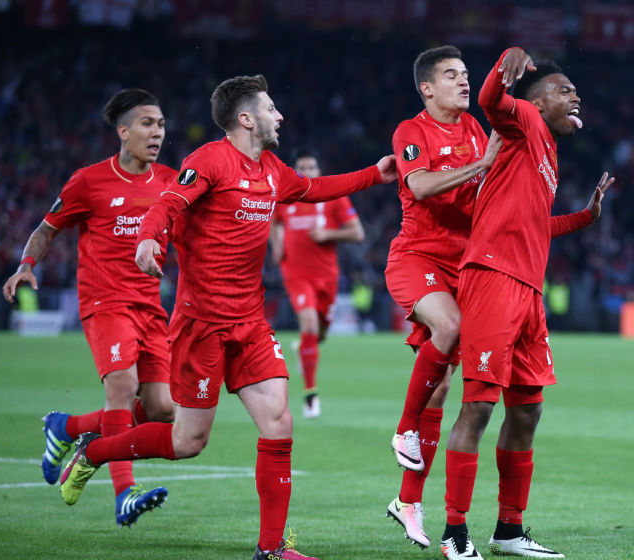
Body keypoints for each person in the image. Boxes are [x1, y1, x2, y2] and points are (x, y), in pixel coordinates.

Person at [58, 74, 396, 560]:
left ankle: (272, 549)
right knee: (188, 441)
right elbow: (168, 203)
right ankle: (92, 452)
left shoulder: (273, 169)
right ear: (246, 119)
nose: (279, 116)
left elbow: (315, 188)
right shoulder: (209, 160)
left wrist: (373, 174)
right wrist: (149, 237)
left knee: (279, 420)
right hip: (202, 325)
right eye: (271, 108)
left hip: (251, 321)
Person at [440, 48, 615, 560]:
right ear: (538, 100)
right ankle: (455, 534)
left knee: (528, 410)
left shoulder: (546, 153)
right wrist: (506, 60)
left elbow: (537, 226)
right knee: (478, 406)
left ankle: (509, 530)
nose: (575, 96)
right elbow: (494, 100)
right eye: (565, 89)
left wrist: (584, 217)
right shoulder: (522, 120)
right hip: (494, 278)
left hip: (529, 291)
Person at [2, 88, 176, 527]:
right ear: (123, 131)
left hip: (151, 307)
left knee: (162, 408)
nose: (157, 132)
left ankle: (69, 427)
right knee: (122, 386)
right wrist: (25, 266)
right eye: (147, 124)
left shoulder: (173, 181)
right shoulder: (88, 181)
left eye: (160, 124)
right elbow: (47, 229)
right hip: (105, 301)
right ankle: (124, 493)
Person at [384, 45, 501, 549]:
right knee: (448, 328)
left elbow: (487, 192)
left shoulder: (474, 127)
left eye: (466, 74)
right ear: (427, 88)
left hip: (463, 267)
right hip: (416, 259)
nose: (464, 81)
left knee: (440, 389)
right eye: (451, 75)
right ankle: (404, 429)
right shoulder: (412, 131)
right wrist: (486, 162)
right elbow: (425, 186)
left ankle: (408, 502)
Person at [270, 150, 365, 419]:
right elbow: (275, 224)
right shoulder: (285, 197)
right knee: (309, 325)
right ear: (295, 171)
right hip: (296, 274)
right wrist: (277, 247)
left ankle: (304, 348)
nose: (307, 171)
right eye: (302, 167)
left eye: (312, 167)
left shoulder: (333, 197)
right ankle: (311, 396)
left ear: (319, 171)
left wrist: (328, 233)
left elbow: (358, 233)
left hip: (327, 276)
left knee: (320, 332)